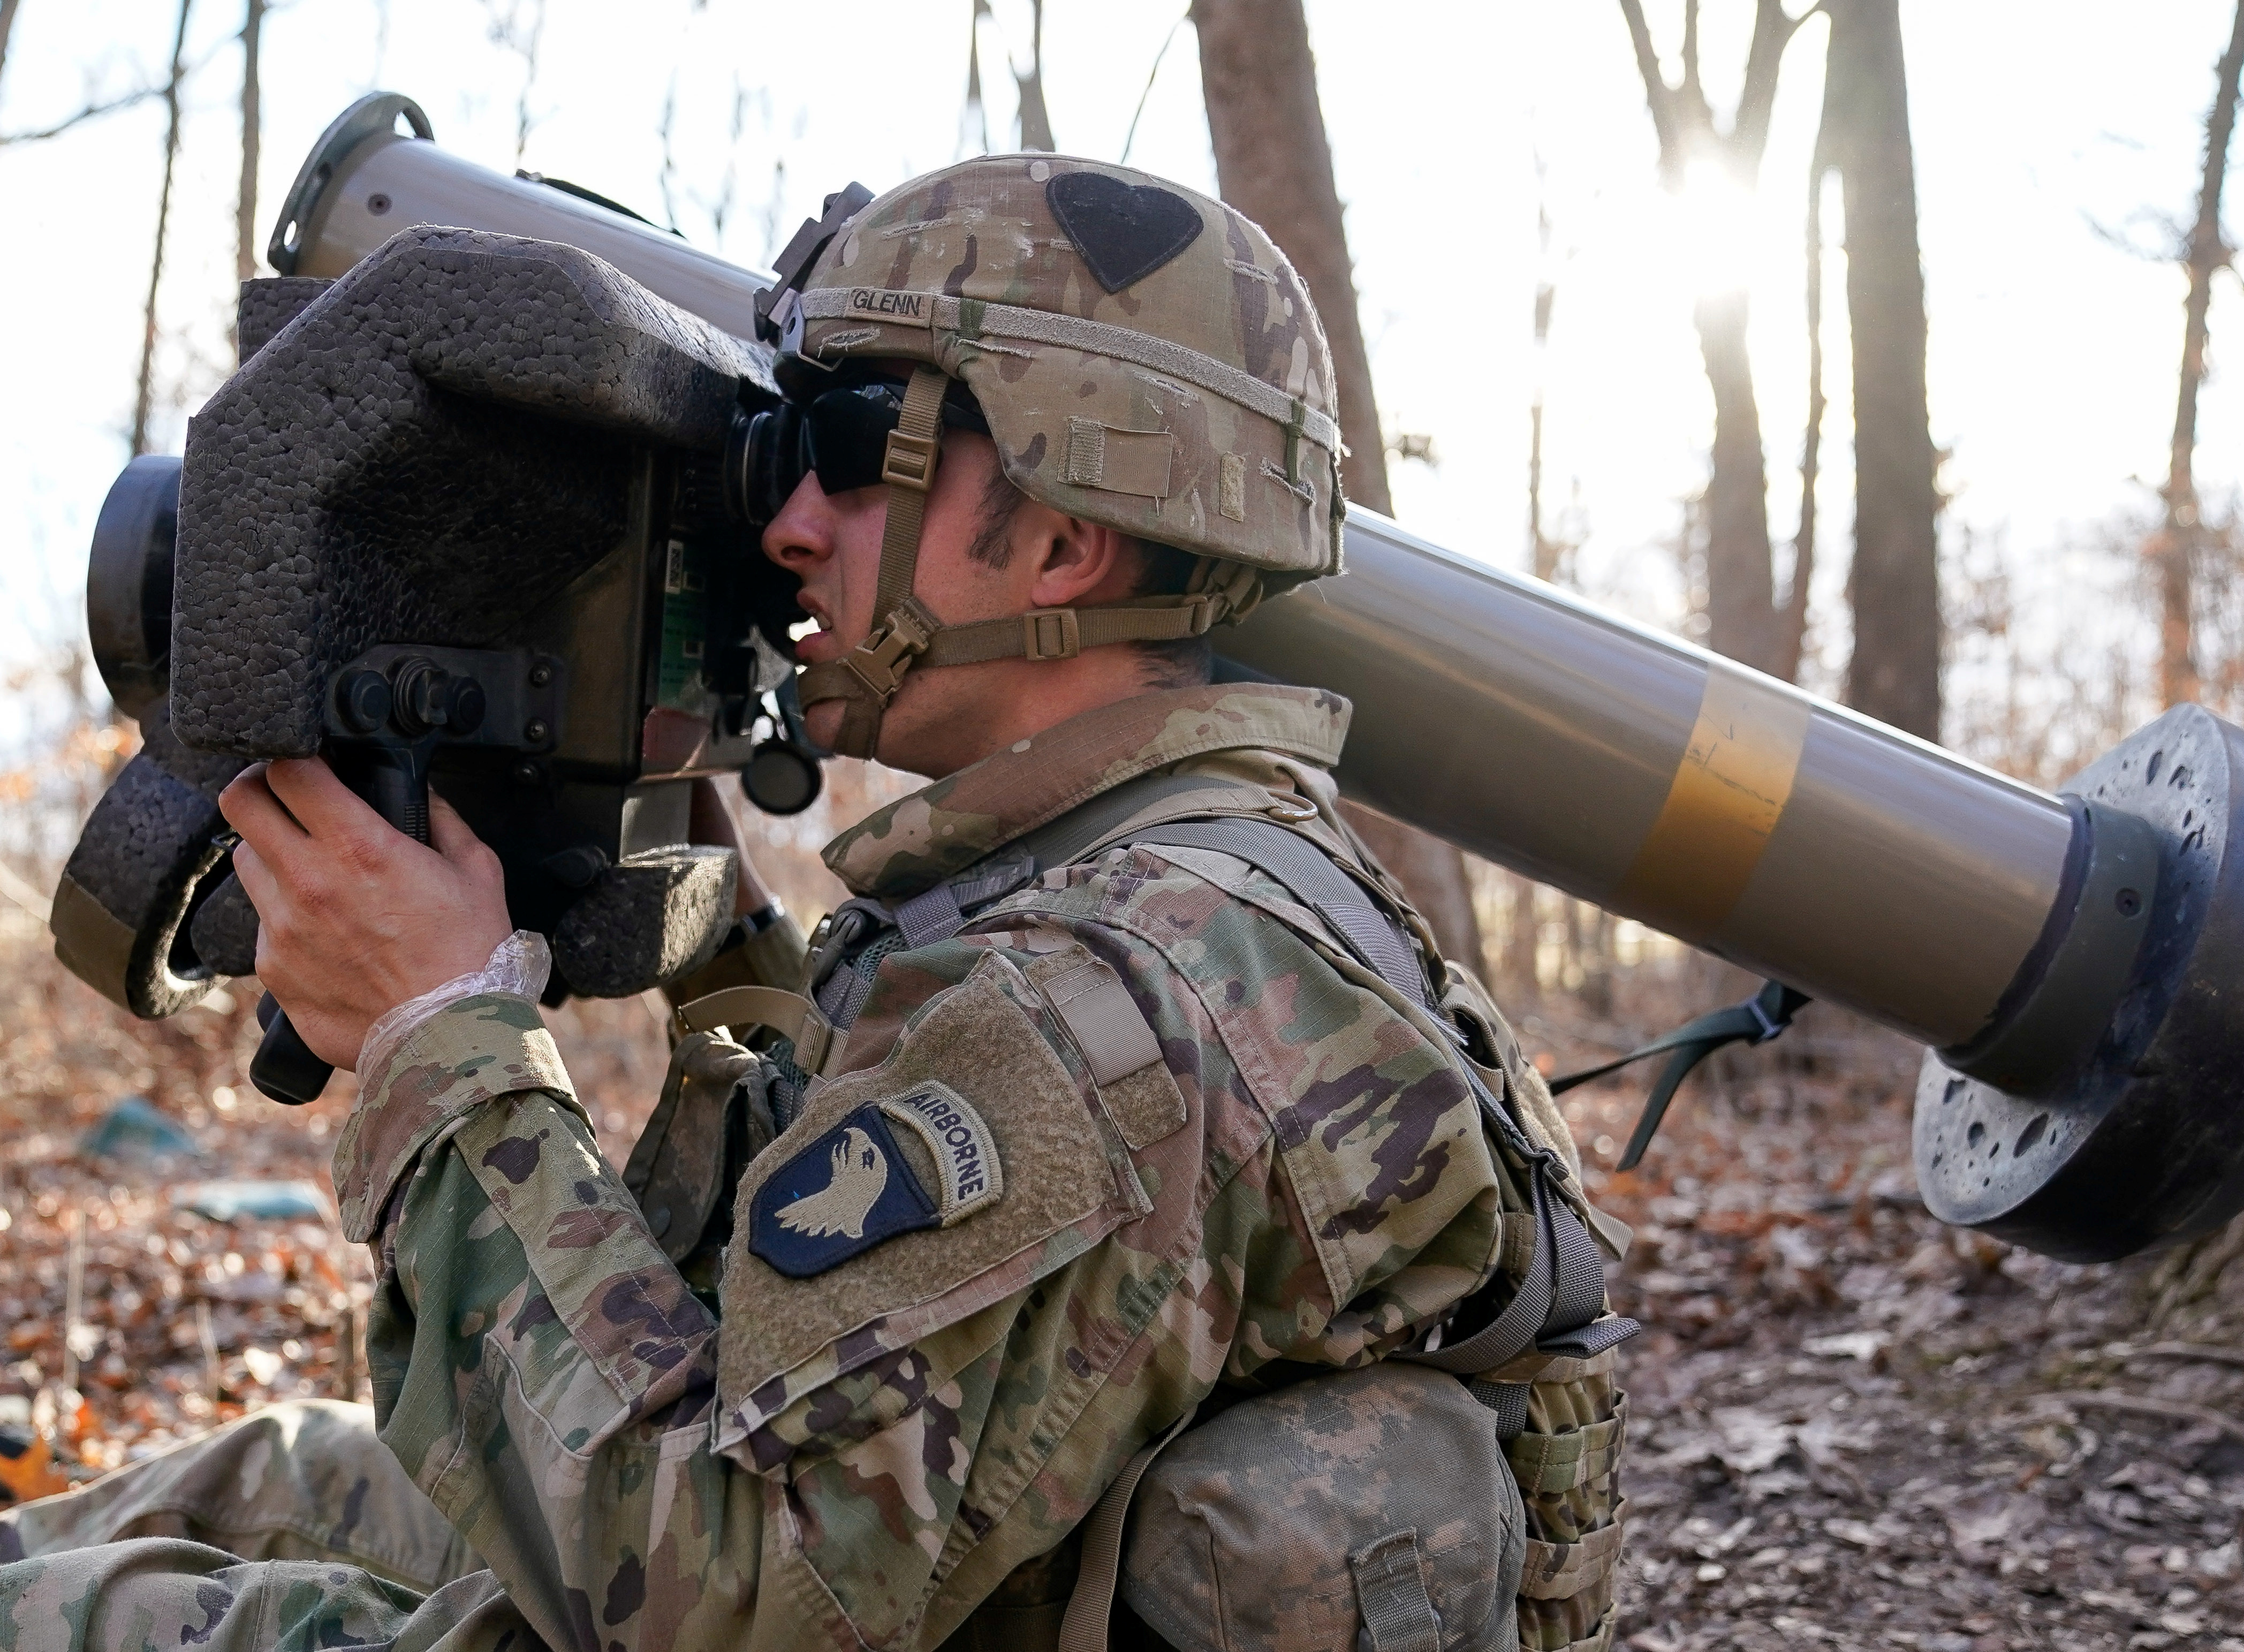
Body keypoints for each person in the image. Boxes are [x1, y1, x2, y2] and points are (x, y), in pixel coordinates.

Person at [0, 155, 1624, 1652]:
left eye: (852, 452)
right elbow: (860, 1307)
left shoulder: (1124, 989)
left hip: (735, 1594)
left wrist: (441, 1039)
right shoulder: (1187, 869)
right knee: (254, 1482)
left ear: (1061, 539)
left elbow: (717, 1593)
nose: (783, 523)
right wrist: (722, 943)